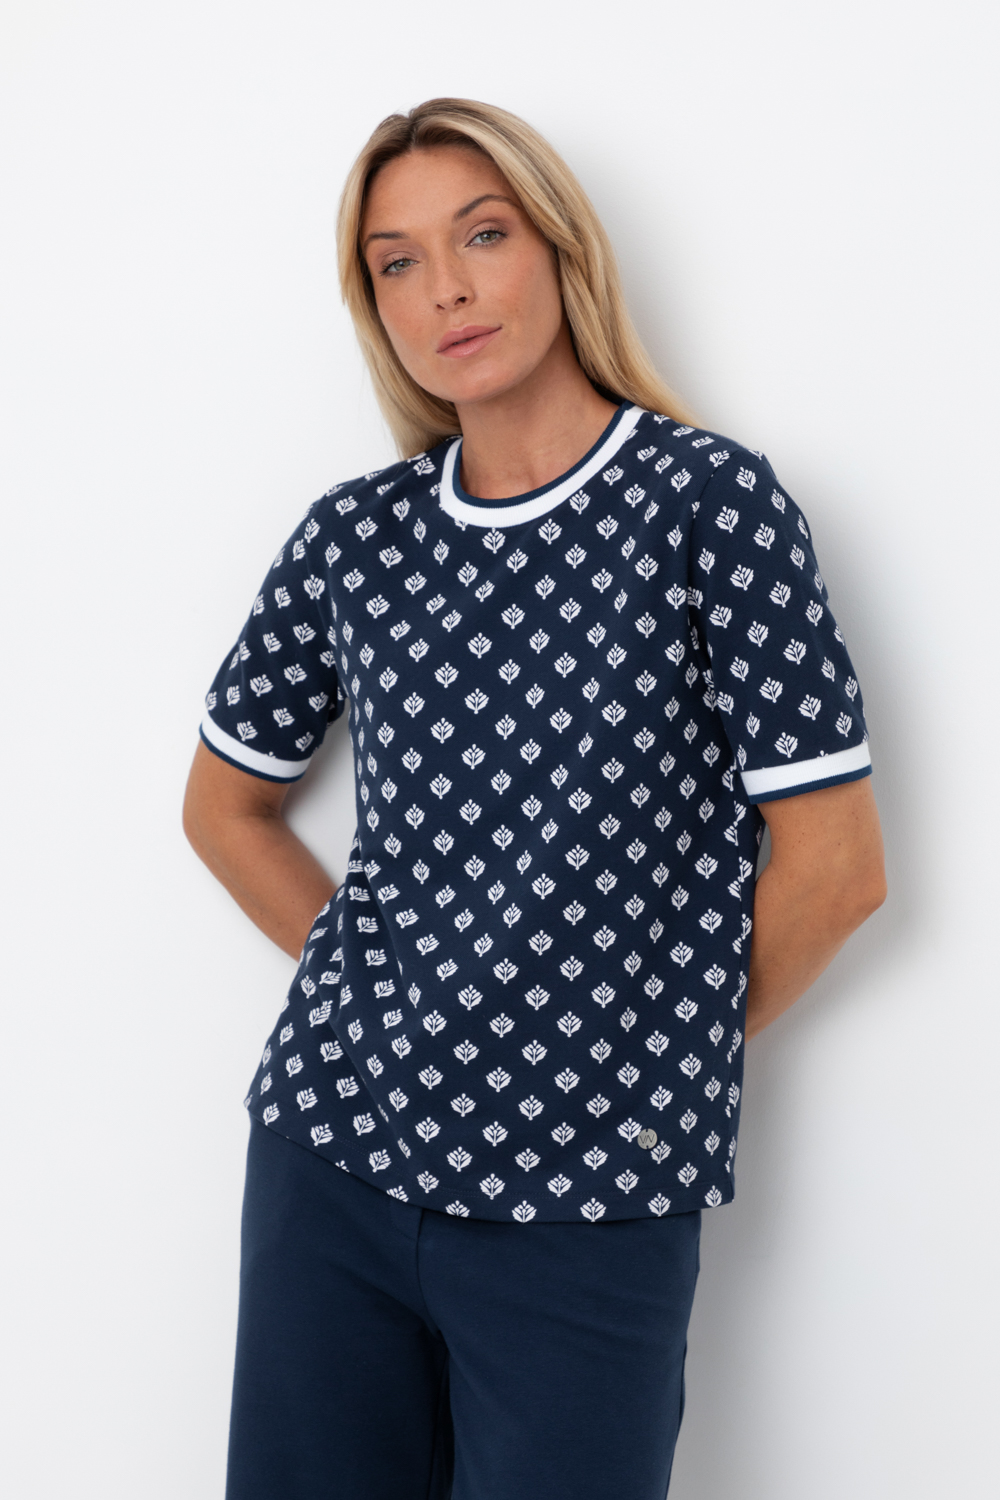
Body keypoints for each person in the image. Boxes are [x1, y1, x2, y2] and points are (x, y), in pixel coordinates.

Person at [183, 98, 887, 1500]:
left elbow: (838, 868)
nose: (445, 288)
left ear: (562, 251)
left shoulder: (708, 505)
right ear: (375, 308)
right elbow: (225, 808)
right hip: (335, 1159)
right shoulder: (356, 538)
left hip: (592, 1197)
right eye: (396, 262)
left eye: (484, 235)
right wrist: (377, 997)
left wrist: (630, 1044)